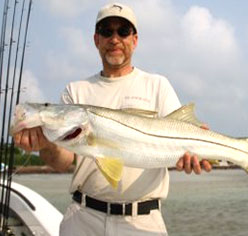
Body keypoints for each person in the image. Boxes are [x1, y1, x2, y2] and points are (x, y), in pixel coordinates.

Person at [14, 3, 212, 236]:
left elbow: (182, 135)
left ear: (135, 40)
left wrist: (195, 156)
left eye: (123, 31)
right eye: (107, 31)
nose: (115, 38)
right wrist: (46, 144)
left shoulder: (158, 85)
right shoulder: (75, 91)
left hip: (143, 223)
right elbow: (62, 162)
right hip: (83, 219)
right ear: (96, 39)